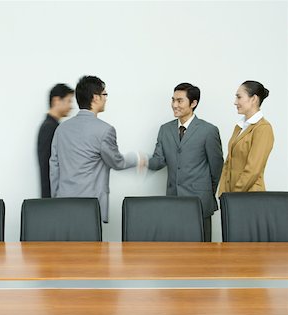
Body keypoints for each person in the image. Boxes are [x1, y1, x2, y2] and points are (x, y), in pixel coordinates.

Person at [49, 75, 137, 223]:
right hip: (90, 207)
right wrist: (137, 159)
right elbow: (117, 162)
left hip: (63, 204)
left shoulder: (61, 129)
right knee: (91, 246)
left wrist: (56, 200)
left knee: (65, 246)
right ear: (95, 98)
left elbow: (54, 167)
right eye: (105, 94)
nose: (106, 98)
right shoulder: (105, 130)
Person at [143, 83, 223, 241]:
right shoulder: (165, 129)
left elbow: (217, 165)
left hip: (200, 200)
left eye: (180, 101)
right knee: (175, 251)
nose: (174, 105)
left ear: (193, 103)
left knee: (202, 251)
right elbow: (159, 160)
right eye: (173, 100)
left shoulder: (208, 130)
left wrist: (207, 190)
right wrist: (142, 162)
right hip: (173, 200)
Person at [218, 81, 274, 195]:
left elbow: (253, 170)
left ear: (253, 99)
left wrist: (235, 195)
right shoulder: (239, 127)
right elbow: (228, 164)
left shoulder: (263, 128)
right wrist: (223, 193)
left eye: (239, 97)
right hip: (232, 196)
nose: (235, 102)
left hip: (249, 198)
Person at [37, 83, 74, 198]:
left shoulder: (53, 126)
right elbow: (48, 165)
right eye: (69, 101)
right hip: (53, 198)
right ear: (57, 100)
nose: (71, 106)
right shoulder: (50, 127)